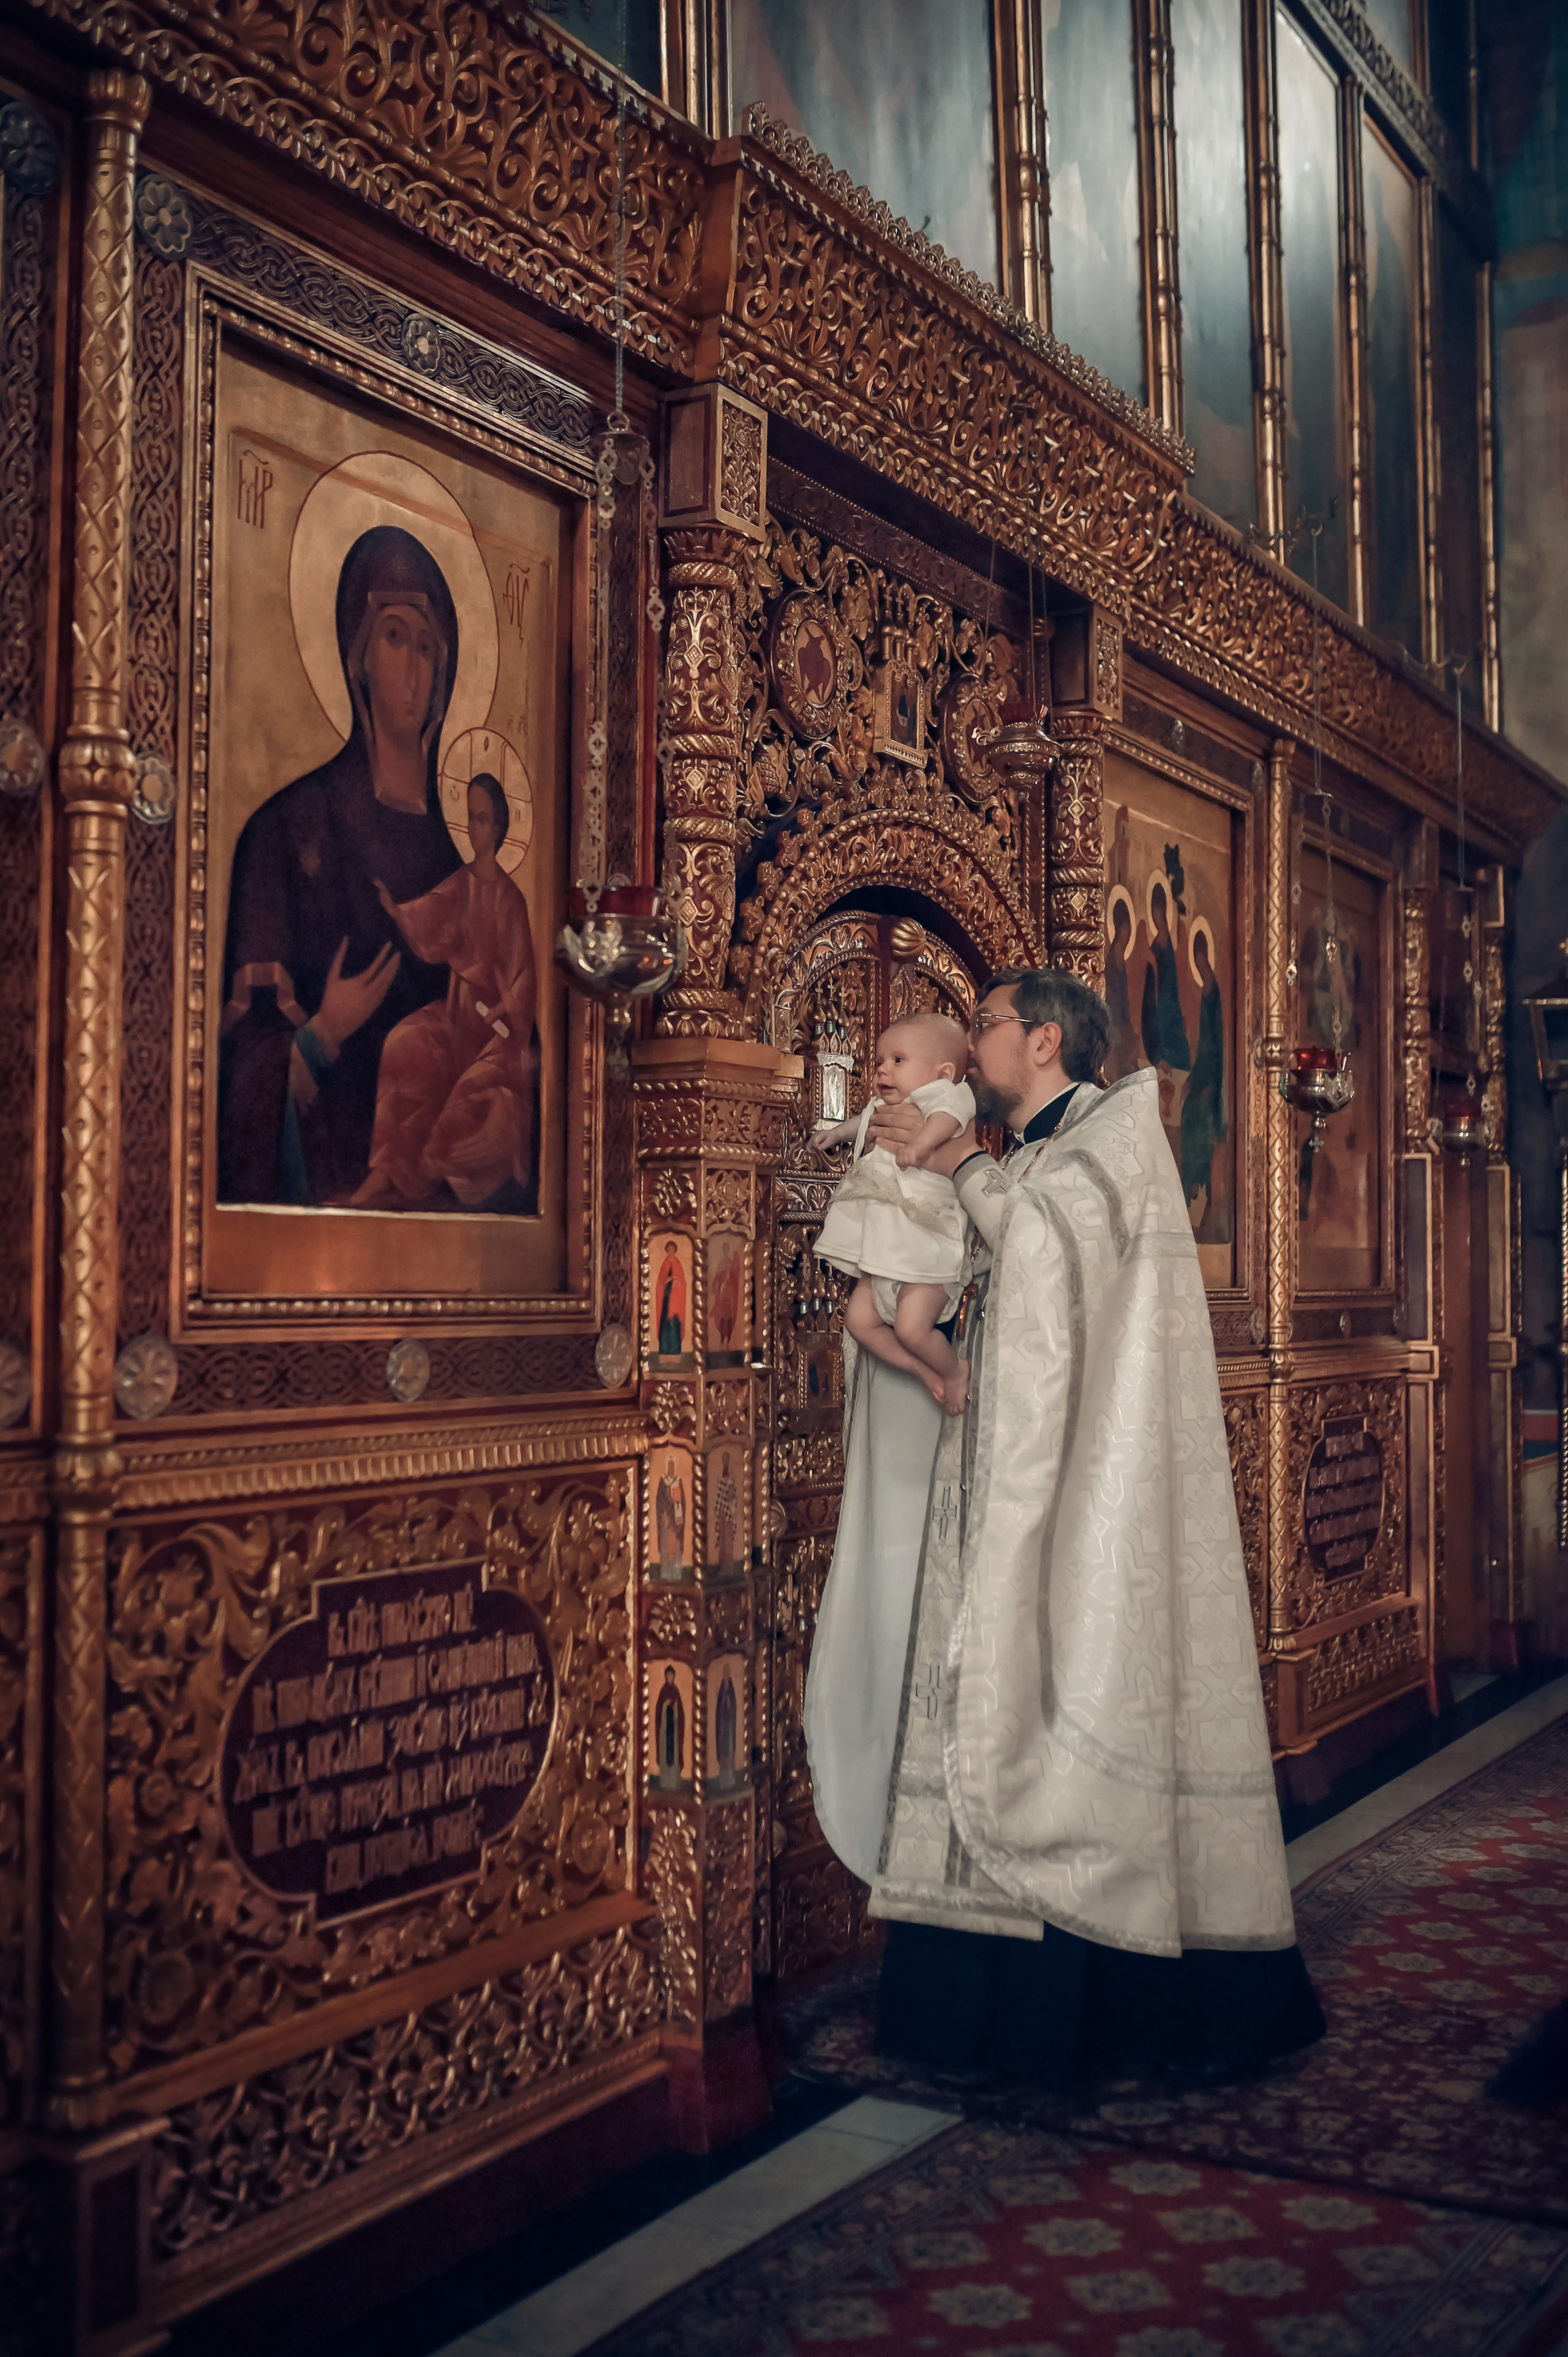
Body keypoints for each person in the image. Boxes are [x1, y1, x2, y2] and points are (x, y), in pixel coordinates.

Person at [832, 966, 1324, 2094]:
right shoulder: (1043, 1154)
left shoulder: (1114, 1138)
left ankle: (1088, 2014)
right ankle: (973, 2009)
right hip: (1015, 1471)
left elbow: (1056, 1262)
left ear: (1044, 1040)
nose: (976, 1043)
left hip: (1085, 1500)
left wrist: (957, 1167)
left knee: (1069, 1697)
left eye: (990, 1026)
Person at [219, 526, 466, 1205]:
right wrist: (321, 1034)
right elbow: (240, 1071)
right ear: (356, 653)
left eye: (426, 647)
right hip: (314, 1235)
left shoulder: (465, 871)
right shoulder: (286, 830)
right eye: (393, 637)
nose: (413, 670)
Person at [349, 773, 538, 1208]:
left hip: (498, 1037)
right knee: (404, 1041)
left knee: (462, 1112)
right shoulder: (462, 881)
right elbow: (431, 916)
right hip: (456, 1016)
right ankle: (383, 1174)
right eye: (470, 818)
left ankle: (431, 1171)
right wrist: (397, 911)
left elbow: (522, 982)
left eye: (484, 819)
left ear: (500, 826)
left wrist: (502, 1007)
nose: (475, 828)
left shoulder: (511, 900)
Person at [811, 1012, 976, 1415]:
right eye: (880, 1061)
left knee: (911, 1327)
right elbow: (862, 1122)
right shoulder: (883, 1106)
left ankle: (954, 1371)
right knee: (858, 1320)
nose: (883, 1068)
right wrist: (838, 1132)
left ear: (944, 1072)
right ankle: (923, 1371)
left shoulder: (948, 1096)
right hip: (884, 1250)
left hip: (925, 1245)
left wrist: (921, 1146)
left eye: (898, 1060)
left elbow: (947, 1119)